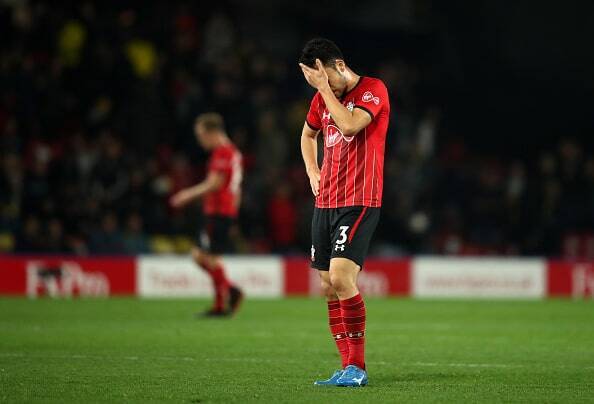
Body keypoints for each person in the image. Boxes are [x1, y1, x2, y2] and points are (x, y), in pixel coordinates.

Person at [298, 38, 390, 387]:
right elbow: (308, 135)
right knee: (327, 286)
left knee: (340, 278)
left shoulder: (373, 89)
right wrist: (312, 169)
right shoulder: (320, 99)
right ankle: (346, 367)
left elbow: (350, 125)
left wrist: (324, 89)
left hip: (360, 200)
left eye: (326, 78)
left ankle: (357, 367)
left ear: (339, 65)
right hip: (325, 201)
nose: (325, 87)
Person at [171, 113, 244, 317]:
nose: (199, 140)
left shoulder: (222, 152)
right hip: (225, 212)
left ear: (213, 133)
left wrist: (186, 195)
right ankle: (223, 301)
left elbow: (215, 183)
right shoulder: (234, 152)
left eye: (201, 135)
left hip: (218, 211)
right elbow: (236, 189)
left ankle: (228, 295)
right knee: (211, 257)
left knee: (203, 256)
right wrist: (233, 215)